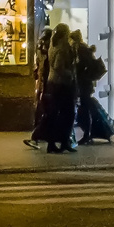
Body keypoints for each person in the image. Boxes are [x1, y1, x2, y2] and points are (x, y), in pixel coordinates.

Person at [44, 23, 78, 153]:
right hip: (62, 84)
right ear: (64, 35)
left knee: (54, 114)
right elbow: (59, 66)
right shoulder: (62, 48)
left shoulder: (52, 46)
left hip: (52, 83)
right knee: (67, 114)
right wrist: (69, 74)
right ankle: (63, 141)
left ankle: (54, 143)